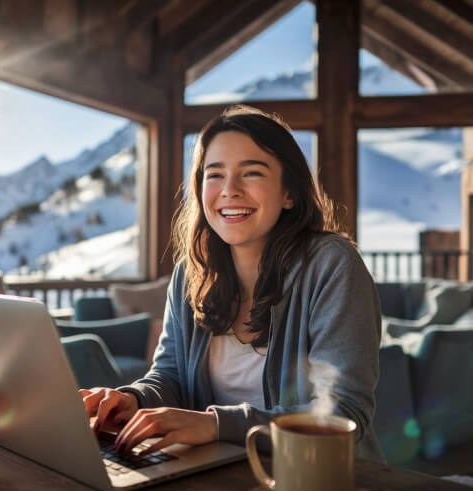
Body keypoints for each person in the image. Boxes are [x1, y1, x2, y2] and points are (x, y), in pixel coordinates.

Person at [81, 105, 383, 462]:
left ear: (289, 193)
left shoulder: (331, 265)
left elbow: (341, 413)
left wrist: (215, 425)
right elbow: (170, 376)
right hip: (212, 479)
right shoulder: (189, 274)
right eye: (214, 175)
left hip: (317, 481)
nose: (229, 190)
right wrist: (133, 399)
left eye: (251, 173)